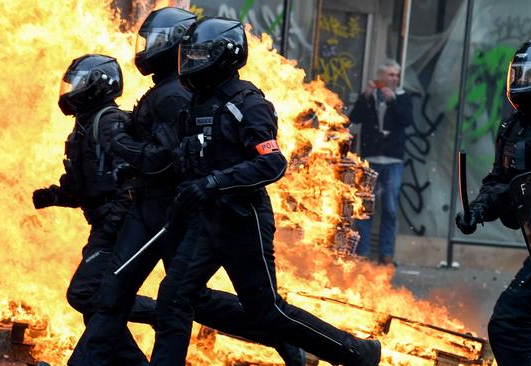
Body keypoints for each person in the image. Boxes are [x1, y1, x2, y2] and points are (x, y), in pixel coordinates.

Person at [67, 8, 306, 366]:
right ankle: (279, 336)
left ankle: (281, 334)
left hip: (168, 210)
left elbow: (165, 158)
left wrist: (121, 145)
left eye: (155, 42)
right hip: (156, 207)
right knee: (148, 296)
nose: (146, 49)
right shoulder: (167, 91)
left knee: (172, 299)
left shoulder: (176, 94)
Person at [148, 16, 382, 366]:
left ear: (225, 56)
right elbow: (191, 155)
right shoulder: (195, 104)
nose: (191, 63)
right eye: (189, 56)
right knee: (174, 297)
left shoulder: (247, 104)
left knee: (267, 310)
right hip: (206, 220)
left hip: (242, 220)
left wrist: (212, 183)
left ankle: (355, 353)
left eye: (199, 56)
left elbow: (271, 164)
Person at [32, 54, 153, 365]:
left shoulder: (111, 122)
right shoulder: (84, 127)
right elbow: (86, 188)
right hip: (104, 224)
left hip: (119, 226)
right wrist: (56, 196)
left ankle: (164, 311)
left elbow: (132, 176)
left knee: (87, 295)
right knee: (95, 308)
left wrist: (116, 218)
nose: (70, 90)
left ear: (97, 86)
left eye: (78, 84)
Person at [455, 35, 531, 366]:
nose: (523, 81)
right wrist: (479, 209)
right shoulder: (514, 126)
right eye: (520, 73)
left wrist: (510, 195)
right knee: (507, 323)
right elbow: (500, 179)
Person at [349, 60, 413, 265]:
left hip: (393, 160)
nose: (393, 78)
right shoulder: (370, 97)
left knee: (390, 209)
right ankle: (363, 252)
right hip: (371, 160)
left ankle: (386, 254)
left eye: (396, 75)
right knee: (365, 207)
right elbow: (355, 118)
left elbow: (407, 121)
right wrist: (366, 96)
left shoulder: (403, 97)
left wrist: (393, 101)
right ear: (381, 76)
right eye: (390, 75)